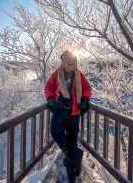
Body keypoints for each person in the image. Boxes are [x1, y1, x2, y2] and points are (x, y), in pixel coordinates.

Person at [44, 50, 91, 183]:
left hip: (74, 112)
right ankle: (75, 154)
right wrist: (50, 99)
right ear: (63, 62)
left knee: (72, 139)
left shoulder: (79, 74)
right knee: (55, 131)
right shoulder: (57, 74)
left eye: (73, 60)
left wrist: (85, 99)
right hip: (61, 110)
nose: (71, 63)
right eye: (68, 60)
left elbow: (87, 88)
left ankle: (72, 173)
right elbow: (49, 87)